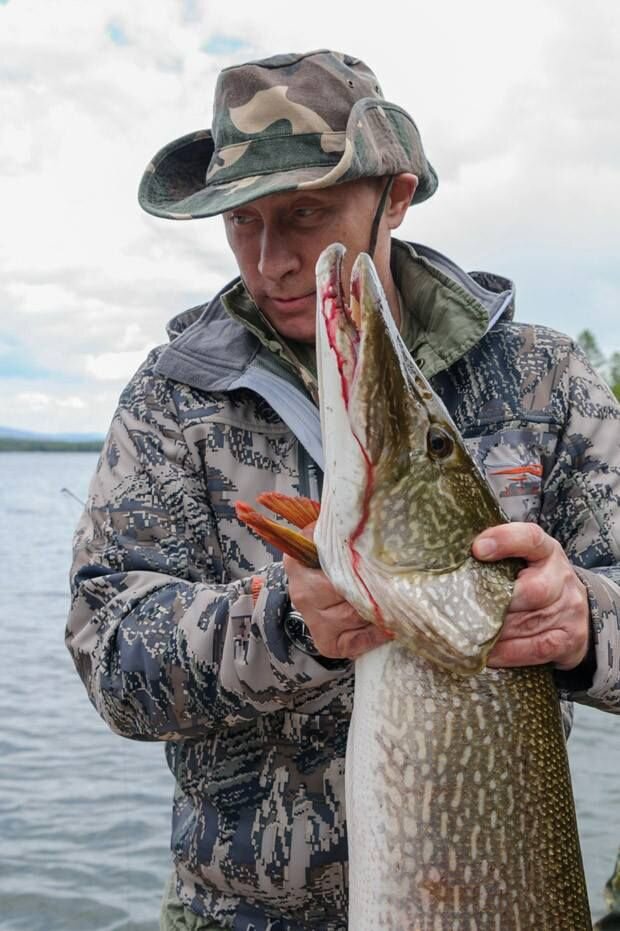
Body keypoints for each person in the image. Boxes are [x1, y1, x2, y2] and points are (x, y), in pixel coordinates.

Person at [66, 49, 620, 931]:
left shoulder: (545, 381)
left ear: (393, 197)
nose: (272, 260)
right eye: (241, 221)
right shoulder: (173, 398)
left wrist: (584, 621)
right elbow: (110, 653)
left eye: (305, 213)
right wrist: (286, 625)